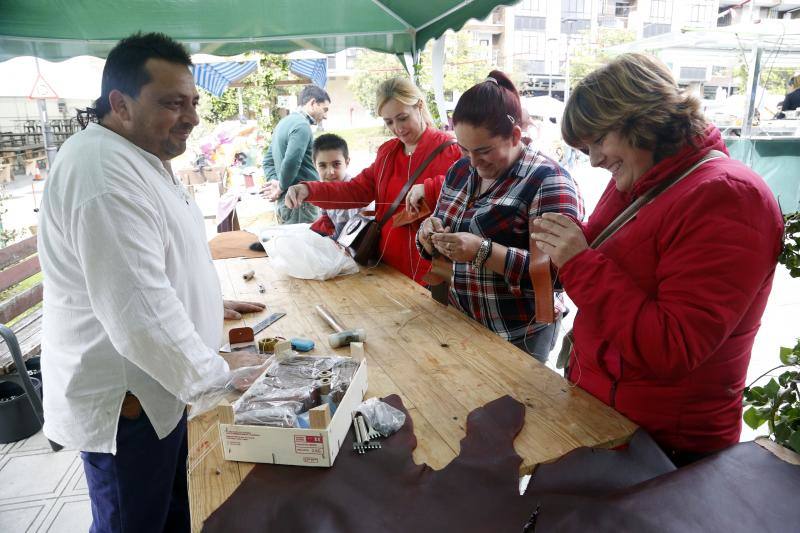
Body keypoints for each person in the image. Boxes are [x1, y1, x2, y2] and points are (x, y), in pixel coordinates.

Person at [38, 33, 265, 533]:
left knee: (166, 518)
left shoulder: (138, 154)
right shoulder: (101, 171)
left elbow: (150, 266)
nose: (192, 117)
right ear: (120, 104)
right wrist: (223, 374)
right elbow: (137, 311)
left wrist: (206, 299)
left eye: (194, 102)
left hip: (159, 392)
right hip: (131, 406)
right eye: (172, 103)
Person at [531, 53, 783, 465]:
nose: (593, 160)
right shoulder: (642, 175)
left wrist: (578, 261)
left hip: (665, 446)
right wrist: (564, 243)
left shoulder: (729, 197)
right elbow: (608, 258)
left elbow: (673, 347)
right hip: (606, 416)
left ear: (640, 120)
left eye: (598, 141)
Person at [416, 71, 583, 363]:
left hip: (518, 333)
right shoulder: (460, 170)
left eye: (483, 151)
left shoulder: (548, 181)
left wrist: (483, 251)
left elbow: (559, 274)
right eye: (463, 149)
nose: (473, 162)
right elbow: (442, 231)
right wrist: (428, 234)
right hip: (459, 317)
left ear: (515, 135)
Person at [284, 77, 461, 284]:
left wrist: (431, 188)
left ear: (419, 106)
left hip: (430, 273)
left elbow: (471, 191)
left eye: (402, 118)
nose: (398, 128)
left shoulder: (451, 151)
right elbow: (355, 191)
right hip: (384, 267)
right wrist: (309, 190)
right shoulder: (388, 153)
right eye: (389, 122)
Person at [262, 85, 330, 224]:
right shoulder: (302, 125)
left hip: (288, 201)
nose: (325, 116)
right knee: (303, 243)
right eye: (324, 109)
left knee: (290, 242)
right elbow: (292, 161)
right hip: (300, 202)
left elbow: (267, 160)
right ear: (312, 103)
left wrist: (276, 182)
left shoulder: (283, 123)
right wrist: (280, 187)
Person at [308, 133, 359, 240]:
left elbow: (343, 237)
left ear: (347, 162)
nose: (330, 172)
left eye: (336, 164)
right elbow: (327, 221)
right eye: (322, 165)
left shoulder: (354, 192)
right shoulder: (323, 189)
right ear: (314, 165)